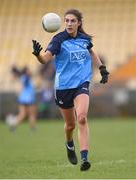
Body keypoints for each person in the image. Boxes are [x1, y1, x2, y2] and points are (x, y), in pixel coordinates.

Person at [32, 9, 109, 171]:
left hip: (82, 84)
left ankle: (85, 158)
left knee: (81, 118)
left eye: (72, 21)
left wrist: (102, 68)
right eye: (66, 20)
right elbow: (45, 59)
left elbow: (91, 51)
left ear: (79, 23)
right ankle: (69, 143)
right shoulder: (58, 39)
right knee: (70, 125)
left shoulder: (84, 39)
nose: (68, 23)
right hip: (63, 87)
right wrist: (38, 55)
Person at [10, 66, 37, 131]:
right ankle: (32, 128)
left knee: (22, 115)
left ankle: (13, 126)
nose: (29, 71)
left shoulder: (22, 78)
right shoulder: (26, 78)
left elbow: (20, 86)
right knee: (32, 114)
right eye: (28, 70)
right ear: (26, 71)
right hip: (29, 98)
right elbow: (22, 86)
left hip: (22, 98)